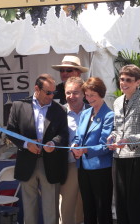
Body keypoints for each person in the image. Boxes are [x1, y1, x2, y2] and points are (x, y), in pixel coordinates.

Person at [6, 73, 68, 224]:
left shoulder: (59, 110)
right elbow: (11, 132)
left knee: (50, 210)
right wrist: (27, 145)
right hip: (27, 162)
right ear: (36, 89)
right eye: (48, 92)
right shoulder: (19, 106)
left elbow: (64, 134)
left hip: (50, 163)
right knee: (29, 209)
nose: (51, 96)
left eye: (54, 92)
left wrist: (53, 143)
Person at [107, 64, 140, 224]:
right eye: (122, 79)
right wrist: (112, 137)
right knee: (121, 205)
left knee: (138, 206)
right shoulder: (117, 101)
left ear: (138, 82)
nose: (123, 83)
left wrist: (129, 141)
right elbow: (118, 129)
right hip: (119, 158)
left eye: (128, 80)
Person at [71, 77, 114, 224]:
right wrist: (75, 147)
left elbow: (105, 145)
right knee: (88, 209)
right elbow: (78, 138)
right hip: (82, 167)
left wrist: (85, 150)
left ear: (101, 94)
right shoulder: (84, 114)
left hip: (100, 168)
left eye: (92, 95)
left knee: (102, 210)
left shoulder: (109, 116)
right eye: (87, 95)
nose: (89, 99)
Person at [58, 77, 89, 224]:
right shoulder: (58, 112)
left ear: (83, 93)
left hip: (90, 165)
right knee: (67, 208)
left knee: (86, 207)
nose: (71, 97)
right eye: (68, 93)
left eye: (75, 93)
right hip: (69, 165)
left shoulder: (93, 111)